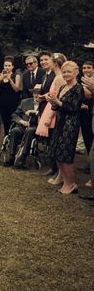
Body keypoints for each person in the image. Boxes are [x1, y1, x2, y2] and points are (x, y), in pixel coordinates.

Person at [46, 61, 84, 194]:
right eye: (64, 72)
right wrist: (53, 103)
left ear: (76, 72)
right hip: (60, 122)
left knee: (65, 154)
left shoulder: (78, 88)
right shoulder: (62, 87)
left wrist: (57, 102)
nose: (66, 74)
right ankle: (65, 182)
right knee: (58, 152)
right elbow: (57, 107)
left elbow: (73, 108)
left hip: (70, 124)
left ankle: (71, 184)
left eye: (69, 71)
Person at [37, 53, 67, 182]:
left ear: (55, 63)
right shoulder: (52, 76)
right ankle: (54, 168)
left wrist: (49, 117)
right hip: (49, 106)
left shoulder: (59, 77)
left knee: (54, 140)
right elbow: (52, 93)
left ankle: (57, 171)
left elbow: (59, 96)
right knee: (50, 140)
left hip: (53, 109)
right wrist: (43, 96)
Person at [2, 86, 41, 168]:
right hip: (23, 126)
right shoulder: (25, 102)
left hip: (37, 129)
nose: (36, 95)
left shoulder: (45, 105)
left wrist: (36, 112)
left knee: (30, 130)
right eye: (35, 93)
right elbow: (14, 115)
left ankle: (22, 158)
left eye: (39, 93)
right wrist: (22, 121)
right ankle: (12, 157)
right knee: (15, 130)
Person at [0, 56, 21, 147]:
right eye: (5, 65)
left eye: (9, 65)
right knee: (5, 121)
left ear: (12, 67)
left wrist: (10, 79)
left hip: (13, 102)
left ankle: (14, 141)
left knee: (12, 121)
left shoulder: (16, 76)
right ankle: (6, 140)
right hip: (3, 102)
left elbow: (16, 89)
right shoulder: (0, 76)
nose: (7, 67)